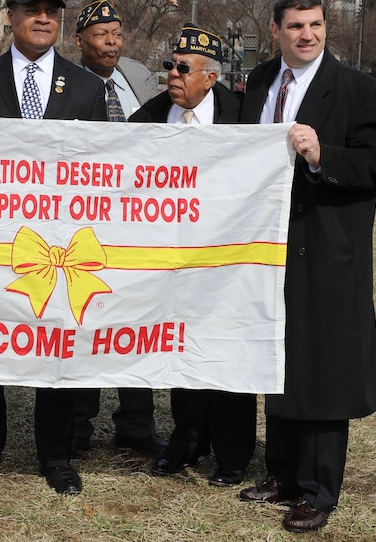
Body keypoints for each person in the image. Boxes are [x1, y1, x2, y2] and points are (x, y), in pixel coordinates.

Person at [236, 0, 376, 533]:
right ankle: (280, 471)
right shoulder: (259, 82)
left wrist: (323, 154)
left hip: (327, 246)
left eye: (317, 25)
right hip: (266, 244)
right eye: (296, 26)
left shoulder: (358, 89)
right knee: (279, 358)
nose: (308, 34)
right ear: (276, 30)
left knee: (323, 368)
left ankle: (318, 489)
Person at [0, 0, 107, 496]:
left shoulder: (88, 87)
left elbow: (101, 170)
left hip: (59, 243)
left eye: (52, 10)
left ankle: (56, 454)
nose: (44, 18)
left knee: (57, 342)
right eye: (32, 8)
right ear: (11, 17)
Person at [128, 24, 256, 488]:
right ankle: (186, 444)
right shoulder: (146, 120)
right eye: (169, 67)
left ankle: (233, 454)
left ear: (211, 77)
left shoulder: (245, 119)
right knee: (180, 350)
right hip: (170, 258)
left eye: (184, 68)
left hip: (229, 258)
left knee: (229, 352)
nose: (173, 76)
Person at [70, 0, 165, 458]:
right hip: (85, 224)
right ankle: (78, 427)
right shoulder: (64, 84)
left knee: (137, 321)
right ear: (80, 41)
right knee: (86, 321)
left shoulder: (138, 79)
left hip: (139, 224)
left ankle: (137, 423)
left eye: (118, 34)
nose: (112, 42)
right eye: (101, 34)